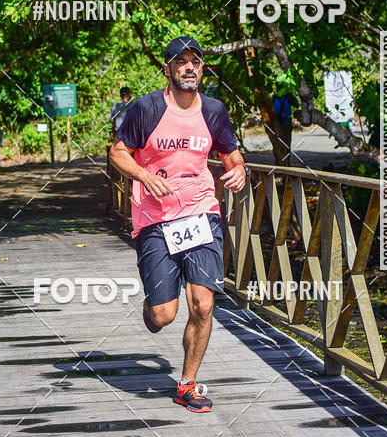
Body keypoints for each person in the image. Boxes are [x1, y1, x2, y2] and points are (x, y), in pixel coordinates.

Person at [109, 36, 247, 413]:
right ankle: (153, 307)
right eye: (181, 61)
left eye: (195, 62)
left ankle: (187, 384)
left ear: (202, 69)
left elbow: (232, 157)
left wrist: (239, 174)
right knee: (163, 314)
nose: (189, 67)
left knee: (203, 305)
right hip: (155, 220)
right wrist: (144, 175)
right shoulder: (145, 109)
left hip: (202, 213)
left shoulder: (215, 110)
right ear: (167, 69)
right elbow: (117, 153)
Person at [272, 87, 298, 164]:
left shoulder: (279, 97)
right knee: (285, 144)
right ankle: (283, 162)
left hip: (283, 123)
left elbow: (296, 104)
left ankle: (283, 162)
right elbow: (296, 104)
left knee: (281, 143)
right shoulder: (281, 97)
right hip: (284, 124)